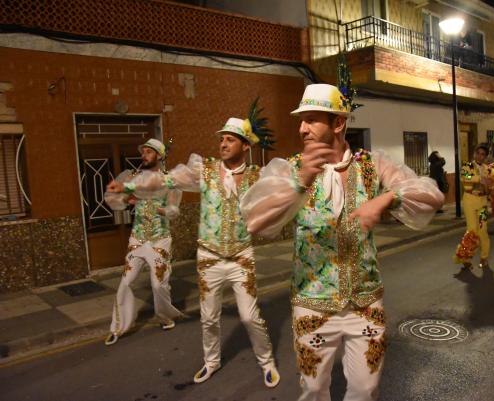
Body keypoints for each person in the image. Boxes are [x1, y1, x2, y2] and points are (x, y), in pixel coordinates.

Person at [240, 82, 444, 401]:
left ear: (338, 123)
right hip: (312, 305)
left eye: (311, 119)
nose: (302, 127)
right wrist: (300, 181)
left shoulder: (371, 164)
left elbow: (432, 194)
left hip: (365, 304)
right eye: (301, 119)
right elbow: (254, 219)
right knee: (313, 390)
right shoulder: (291, 168)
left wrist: (386, 198)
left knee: (366, 390)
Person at [107, 115, 280, 388]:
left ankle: (266, 360)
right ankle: (211, 362)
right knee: (209, 317)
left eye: (230, 139)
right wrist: (130, 185)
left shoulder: (256, 175)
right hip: (209, 257)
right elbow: (167, 180)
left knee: (249, 316)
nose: (223, 144)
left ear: (245, 145)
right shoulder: (206, 170)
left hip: (240, 258)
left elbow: (285, 184)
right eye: (221, 139)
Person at [104, 138, 183, 346]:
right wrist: (125, 199)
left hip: (159, 240)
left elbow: (174, 212)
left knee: (159, 285)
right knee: (126, 282)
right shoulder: (133, 178)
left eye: (148, 152)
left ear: (158, 156)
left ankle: (165, 316)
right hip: (137, 239)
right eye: (143, 152)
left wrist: (155, 208)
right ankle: (118, 327)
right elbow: (113, 200)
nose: (144, 155)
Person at [454, 144, 491, 271]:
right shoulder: (467, 165)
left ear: (485, 157)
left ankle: (484, 257)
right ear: (474, 154)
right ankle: (465, 259)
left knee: (483, 230)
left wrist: (489, 185)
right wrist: (479, 179)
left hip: (483, 202)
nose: (480, 156)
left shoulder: (487, 168)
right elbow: (465, 176)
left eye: (483, 154)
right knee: (472, 230)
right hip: (469, 201)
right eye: (478, 153)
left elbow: (490, 184)